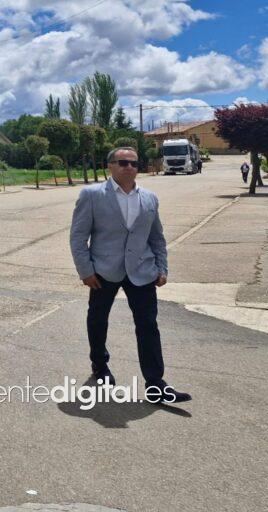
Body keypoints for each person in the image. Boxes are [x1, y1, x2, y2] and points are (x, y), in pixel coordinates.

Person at [69, 147, 191, 403]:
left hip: (142, 271)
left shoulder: (149, 198)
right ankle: (100, 364)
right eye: (123, 162)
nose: (129, 167)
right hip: (103, 271)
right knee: (98, 319)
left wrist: (162, 268)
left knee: (148, 325)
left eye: (134, 163)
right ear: (110, 166)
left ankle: (155, 384)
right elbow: (78, 237)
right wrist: (86, 271)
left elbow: (157, 237)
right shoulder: (92, 195)